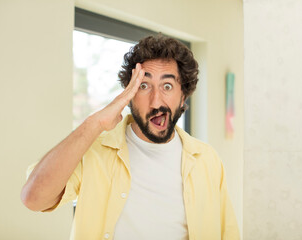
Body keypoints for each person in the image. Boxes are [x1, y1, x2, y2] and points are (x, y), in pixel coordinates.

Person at [21, 35, 240, 240]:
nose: (156, 102)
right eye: (143, 86)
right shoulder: (96, 152)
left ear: (183, 97)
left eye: (167, 86)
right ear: (130, 95)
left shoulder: (207, 160)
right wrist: (95, 123)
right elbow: (33, 198)